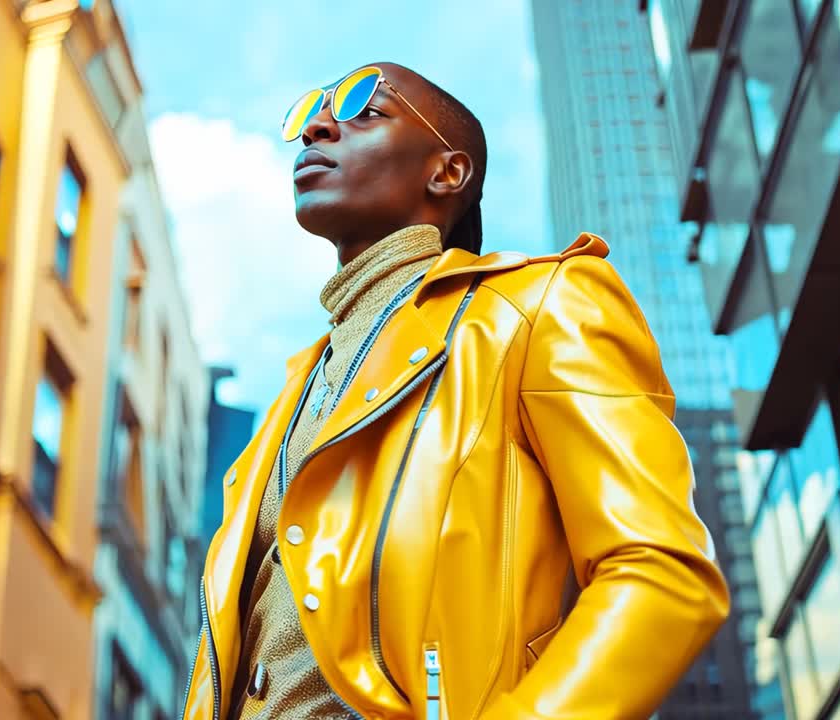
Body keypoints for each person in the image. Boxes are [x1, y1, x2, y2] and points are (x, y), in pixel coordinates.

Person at [181, 62, 729, 720]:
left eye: (363, 108)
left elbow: (661, 569)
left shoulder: (536, 310)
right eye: (308, 118)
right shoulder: (294, 391)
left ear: (448, 173)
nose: (318, 127)